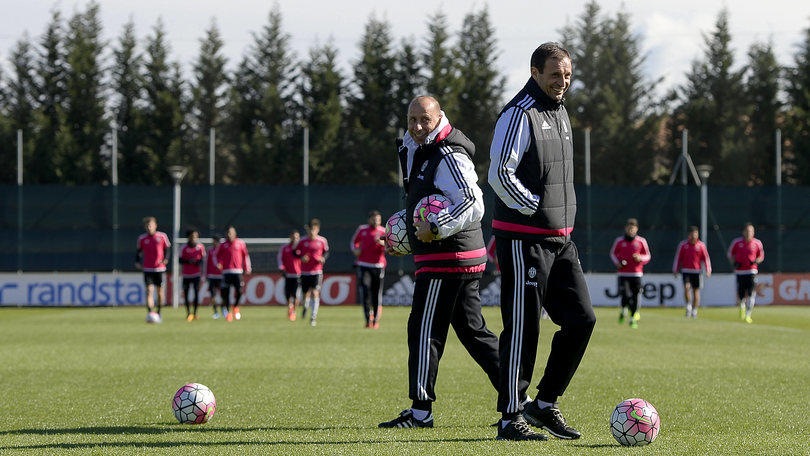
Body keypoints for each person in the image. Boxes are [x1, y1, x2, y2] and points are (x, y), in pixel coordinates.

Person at [487, 42, 596, 441]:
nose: (562, 82)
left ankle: (544, 404)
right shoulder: (518, 114)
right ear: (535, 72)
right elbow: (500, 173)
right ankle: (509, 416)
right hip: (523, 240)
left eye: (567, 75)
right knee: (523, 327)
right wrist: (532, 207)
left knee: (582, 319)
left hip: (561, 240)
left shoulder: (561, 111)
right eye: (555, 75)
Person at [378, 95, 500, 430]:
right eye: (411, 120)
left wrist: (435, 226)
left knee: (424, 330)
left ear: (439, 117)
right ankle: (518, 400)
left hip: (448, 257)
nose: (417, 127)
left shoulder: (448, 153)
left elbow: (474, 203)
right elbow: (425, 200)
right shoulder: (415, 147)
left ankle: (420, 413)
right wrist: (401, 230)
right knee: (474, 332)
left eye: (424, 120)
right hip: (457, 255)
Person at [610, 218, 652, 328]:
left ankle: (633, 318)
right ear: (626, 228)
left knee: (636, 296)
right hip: (623, 274)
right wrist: (618, 263)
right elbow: (613, 254)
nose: (630, 230)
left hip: (637, 274)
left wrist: (640, 258)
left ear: (636, 229)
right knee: (626, 295)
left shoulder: (641, 241)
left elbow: (648, 256)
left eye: (632, 228)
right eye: (629, 228)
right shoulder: (619, 241)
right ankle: (624, 310)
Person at [351, 210, 387, 329]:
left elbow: (390, 245)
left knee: (376, 293)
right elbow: (353, 243)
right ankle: (367, 319)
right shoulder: (362, 229)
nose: (376, 221)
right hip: (363, 264)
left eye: (378, 219)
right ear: (369, 219)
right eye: (374, 219)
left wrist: (382, 243)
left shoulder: (383, 231)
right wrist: (356, 249)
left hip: (378, 266)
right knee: (365, 291)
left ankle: (375, 319)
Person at [727, 222, 765, 323]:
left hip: (751, 271)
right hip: (740, 272)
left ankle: (748, 314)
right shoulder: (736, 242)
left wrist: (757, 260)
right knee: (741, 294)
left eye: (751, 231)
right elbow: (730, 254)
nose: (749, 233)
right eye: (747, 231)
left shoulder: (757, 243)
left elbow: (761, 256)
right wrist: (734, 262)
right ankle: (742, 307)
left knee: (751, 292)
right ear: (743, 232)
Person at [135, 216, 171, 319]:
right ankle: (150, 313)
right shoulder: (142, 238)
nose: (149, 227)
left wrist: (166, 259)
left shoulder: (162, 236)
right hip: (147, 268)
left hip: (159, 268)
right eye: (147, 226)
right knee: (149, 291)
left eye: (150, 225)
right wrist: (137, 261)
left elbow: (167, 249)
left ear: (155, 225)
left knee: (160, 292)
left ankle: (159, 312)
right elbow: (138, 252)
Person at [672, 226, 712, 318]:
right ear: (689, 235)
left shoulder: (701, 245)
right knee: (686, 288)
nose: (693, 236)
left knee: (696, 291)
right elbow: (678, 258)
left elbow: (706, 259)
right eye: (692, 234)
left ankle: (694, 310)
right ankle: (688, 306)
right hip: (686, 271)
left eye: (695, 233)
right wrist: (675, 269)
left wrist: (708, 270)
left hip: (697, 272)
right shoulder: (683, 245)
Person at [214, 225, 252, 322]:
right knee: (225, 293)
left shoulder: (241, 243)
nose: (229, 235)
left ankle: (235, 307)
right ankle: (227, 312)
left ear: (235, 233)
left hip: (238, 272)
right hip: (226, 272)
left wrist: (247, 267)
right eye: (228, 233)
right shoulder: (223, 244)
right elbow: (216, 256)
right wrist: (218, 263)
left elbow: (246, 256)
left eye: (231, 233)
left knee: (239, 291)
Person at [298, 218, 329, 327]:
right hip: (304, 272)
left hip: (317, 272)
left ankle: (313, 317)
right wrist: (301, 258)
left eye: (314, 229)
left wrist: (323, 258)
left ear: (317, 229)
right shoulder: (302, 241)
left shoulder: (322, 241)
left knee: (315, 293)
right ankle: (305, 307)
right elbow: (296, 253)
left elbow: (326, 252)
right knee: (305, 294)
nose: (312, 232)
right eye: (310, 230)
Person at [179, 229, 206, 321]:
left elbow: (203, 260)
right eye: (192, 236)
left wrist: (197, 262)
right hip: (186, 275)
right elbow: (180, 260)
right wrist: (188, 261)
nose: (194, 238)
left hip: (196, 275)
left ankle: (195, 313)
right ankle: (188, 313)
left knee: (196, 294)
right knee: (186, 294)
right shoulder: (183, 247)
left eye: (196, 236)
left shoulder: (200, 247)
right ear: (189, 237)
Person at [278, 229, 302, 321]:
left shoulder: (300, 249)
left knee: (296, 295)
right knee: (288, 294)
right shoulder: (285, 248)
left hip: (298, 275)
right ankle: (290, 307)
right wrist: (282, 268)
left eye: (297, 237)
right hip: (288, 275)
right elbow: (280, 259)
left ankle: (294, 311)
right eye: (293, 236)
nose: (295, 239)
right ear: (290, 237)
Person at [205, 234, 224, 319]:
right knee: (212, 295)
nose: (214, 243)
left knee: (223, 295)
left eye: (215, 241)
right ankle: (215, 312)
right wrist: (206, 275)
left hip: (221, 276)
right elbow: (207, 263)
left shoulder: (223, 250)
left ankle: (224, 310)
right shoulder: (210, 250)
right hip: (212, 276)